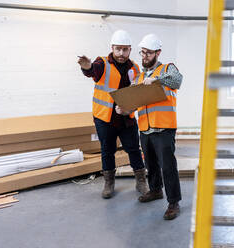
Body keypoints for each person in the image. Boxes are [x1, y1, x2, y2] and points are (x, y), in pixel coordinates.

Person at [116, 34, 183, 220]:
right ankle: (155, 190)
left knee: (168, 167)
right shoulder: (138, 77)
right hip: (145, 129)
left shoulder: (167, 69)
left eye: (148, 53)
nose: (144, 56)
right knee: (150, 164)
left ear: (157, 53)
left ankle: (173, 202)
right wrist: (124, 109)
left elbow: (177, 81)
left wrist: (157, 80)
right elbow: (136, 103)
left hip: (164, 128)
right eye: (142, 52)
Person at [77, 30, 148, 199]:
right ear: (112, 48)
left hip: (126, 118)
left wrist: (129, 110)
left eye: (125, 49)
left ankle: (141, 181)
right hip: (105, 118)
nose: (121, 53)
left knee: (134, 149)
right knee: (107, 150)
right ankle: (109, 183)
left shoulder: (135, 68)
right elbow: (92, 71)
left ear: (130, 49)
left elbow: (137, 94)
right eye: (118, 49)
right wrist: (86, 67)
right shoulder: (102, 63)